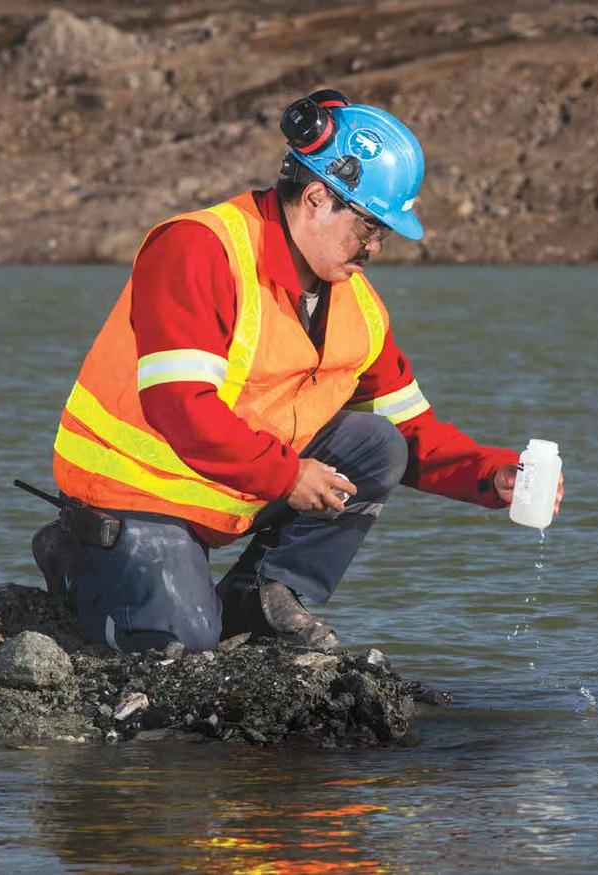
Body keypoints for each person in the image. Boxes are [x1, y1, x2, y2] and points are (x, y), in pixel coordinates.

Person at [31, 89, 563, 653]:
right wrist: (287, 477)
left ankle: (261, 597)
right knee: (181, 649)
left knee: (376, 445)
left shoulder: (355, 303)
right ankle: (79, 558)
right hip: (133, 493)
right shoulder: (198, 250)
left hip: (232, 484)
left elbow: (408, 431)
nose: (375, 247)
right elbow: (179, 407)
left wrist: (493, 475)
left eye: (383, 234)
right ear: (315, 198)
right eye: (369, 227)